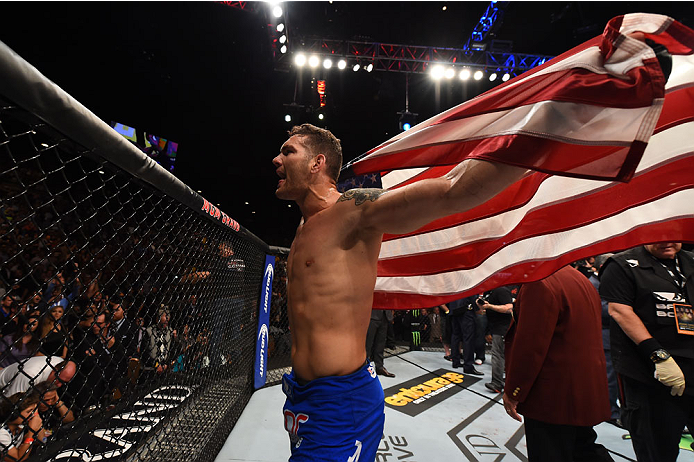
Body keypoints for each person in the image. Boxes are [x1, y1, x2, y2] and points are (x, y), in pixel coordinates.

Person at [272, 124, 525, 460]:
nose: (276, 160)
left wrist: (546, 138)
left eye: (288, 151)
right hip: (303, 397)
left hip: (341, 402)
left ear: (317, 163)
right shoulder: (303, 227)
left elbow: (453, 191)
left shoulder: (354, 210)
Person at [503, 266, 613, 461]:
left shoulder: (540, 281)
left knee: (552, 451)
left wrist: (514, 390)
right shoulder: (579, 278)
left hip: (552, 394)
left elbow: (530, 346)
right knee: (583, 448)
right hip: (582, 387)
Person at [599, 242, 694, 461]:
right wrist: (658, 355)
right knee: (657, 451)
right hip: (652, 378)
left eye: (672, 236)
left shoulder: (689, 260)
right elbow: (620, 311)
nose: (667, 242)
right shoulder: (623, 265)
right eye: (659, 237)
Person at [480, 285, 516, 394]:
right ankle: (507, 381)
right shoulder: (492, 292)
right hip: (497, 328)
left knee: (497, 355)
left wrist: (490, 306)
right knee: (502, 355)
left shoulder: (501, 290)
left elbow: (509, 308)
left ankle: (497, 383)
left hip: (502, 328)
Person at [0, 356, 76, 397]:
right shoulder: (30, 375)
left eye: (64, 382)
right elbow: (11, 401)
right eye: (59, 380)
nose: (59, 385)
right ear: (54, 370)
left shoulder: (59, 361)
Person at [0, 390, 44, 461]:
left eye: (34, 411)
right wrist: (31, 431)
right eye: (29, 411)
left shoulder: (20, 426)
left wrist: (37, 416)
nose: (32, 414)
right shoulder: (2, 433)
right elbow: (18, 459)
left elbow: (41, 440)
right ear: (15, 413)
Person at [447, 295, 484, 375]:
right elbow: (472, 295)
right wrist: (477, 308)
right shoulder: (467, 282)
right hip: (466, 310)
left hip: (454, 310)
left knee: (455, 336)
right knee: (468, 338)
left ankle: (455, 361)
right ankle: (468, 366)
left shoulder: (454, 283)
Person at [365, 309, 395, 378]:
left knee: (381, 343)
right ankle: (364, 368)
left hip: (385, 315)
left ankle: (380, 367)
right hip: (371, 314)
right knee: (368, 343)